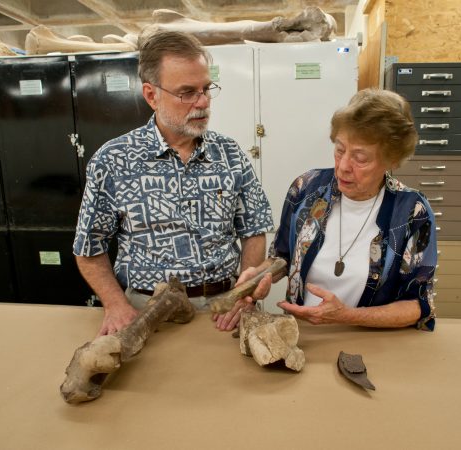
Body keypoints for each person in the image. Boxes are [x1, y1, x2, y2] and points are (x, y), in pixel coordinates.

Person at [73, 31, 273, 335]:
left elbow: (254, 229)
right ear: (152, 95)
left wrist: (243, 294)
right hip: (147, 312)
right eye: (187, 92)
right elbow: (88, 247)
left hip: (223, 311)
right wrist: (115, 305)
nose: (203, 102)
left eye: (206, 88)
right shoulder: (113, 161)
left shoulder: (230, 154)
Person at [235, 88, 437, 331]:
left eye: (360, 158)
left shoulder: (412, 211)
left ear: (392, 160)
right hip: (302, 337)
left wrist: (347, 316)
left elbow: (417, 305)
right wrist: (259, 275)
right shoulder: (307, 188)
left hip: (372, 341)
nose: (343, 167)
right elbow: (282, 257)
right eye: (340, 149)